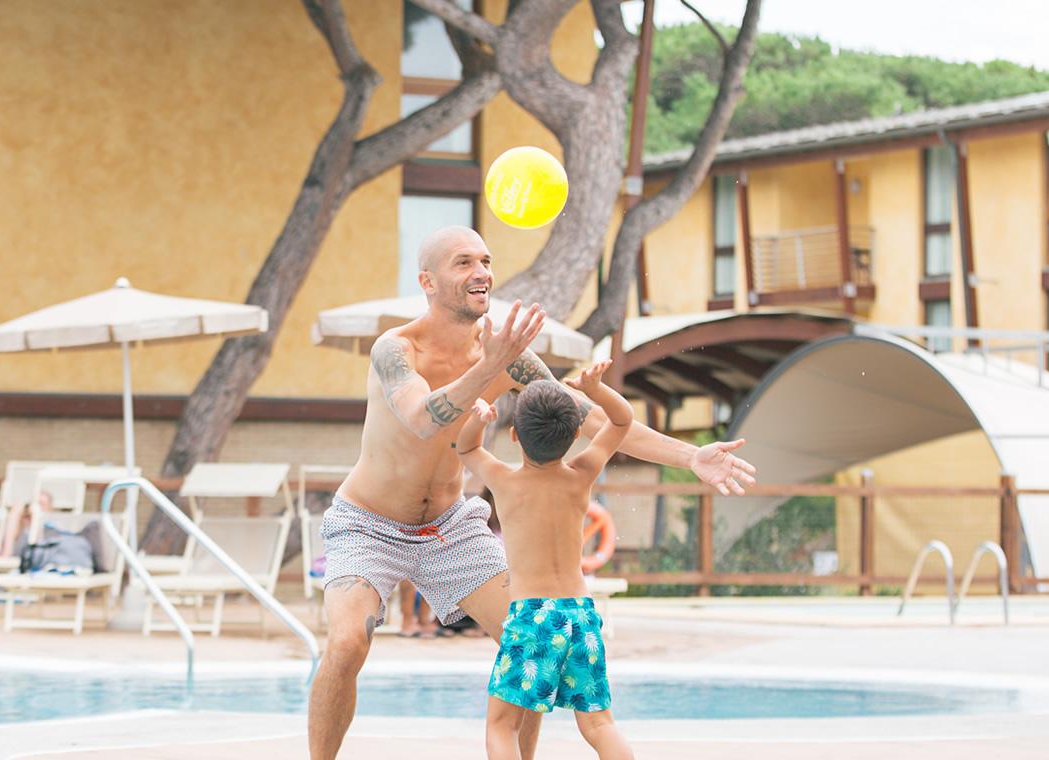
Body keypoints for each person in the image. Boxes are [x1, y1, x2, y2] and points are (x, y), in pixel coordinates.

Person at [307, 225, 757, 760]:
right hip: (369, 523)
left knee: (530, 643)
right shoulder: (396, 350)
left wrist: (690, 456)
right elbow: (422, 420)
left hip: (451, 527)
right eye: (463, 263)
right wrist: (490, 367)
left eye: (486, 261)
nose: (481, 273)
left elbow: (591, 420)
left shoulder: (510, 356)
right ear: (427, 281)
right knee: (347, 642)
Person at [457, 359, 633, 759]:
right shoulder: (582, 472)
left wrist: (481, 418)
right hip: (581, 615)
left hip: (533, 616)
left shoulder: (504, 480)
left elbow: (466, 447)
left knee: (502, 727)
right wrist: (596, 389)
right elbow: (622, 422)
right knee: (599, 723)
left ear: (516, 435)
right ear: (574, 435)